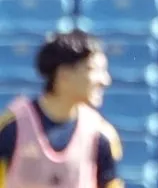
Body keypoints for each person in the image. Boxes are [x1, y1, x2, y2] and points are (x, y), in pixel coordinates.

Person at [0, 29, 123, 188]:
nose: (105, 80)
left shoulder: (101, 136)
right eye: (94, 70)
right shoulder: (12, 127)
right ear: (64, 74)